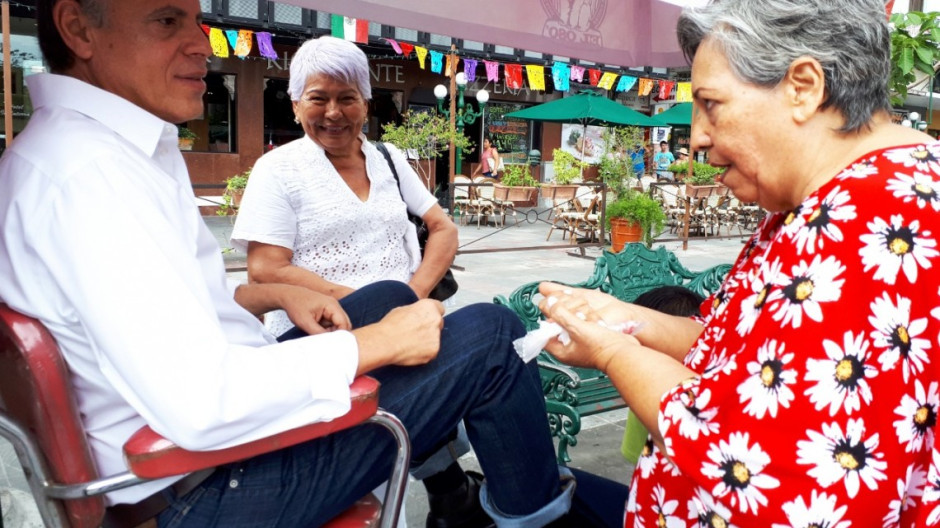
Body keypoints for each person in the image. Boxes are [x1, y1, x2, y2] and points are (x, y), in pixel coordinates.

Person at [0, 2, 584, 527]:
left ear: (365, 102)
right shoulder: (91, 177)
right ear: (78, 28)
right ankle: (537, 516)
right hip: (206, 482)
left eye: (197, 21)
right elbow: (203, 399)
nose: (201, 42)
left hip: (201, 442)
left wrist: (285, 297)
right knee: (493, 334)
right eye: (166, 20)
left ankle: (462, 494)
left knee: (389, 297)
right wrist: (376, 345)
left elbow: (165, 316)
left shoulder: (102, 154)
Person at [537, 0, 940, 526]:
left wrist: (614, 352)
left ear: (803, 87)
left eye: (711, 104)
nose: (697, 135)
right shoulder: (821, 199)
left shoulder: (877, 219)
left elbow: (780, 478)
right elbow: (741, 354)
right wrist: (628, 319)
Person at [231, 36, 458, 338]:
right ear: (296, 106)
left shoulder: (387, 157)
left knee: (494, 324)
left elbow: (444, 228)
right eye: (318, 98)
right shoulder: (278, 169)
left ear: (364, 105)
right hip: (321, 332)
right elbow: (265, 270)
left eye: (347, 98)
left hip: (404, 321)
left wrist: (412, 296)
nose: (334, 112)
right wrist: (370, 306)